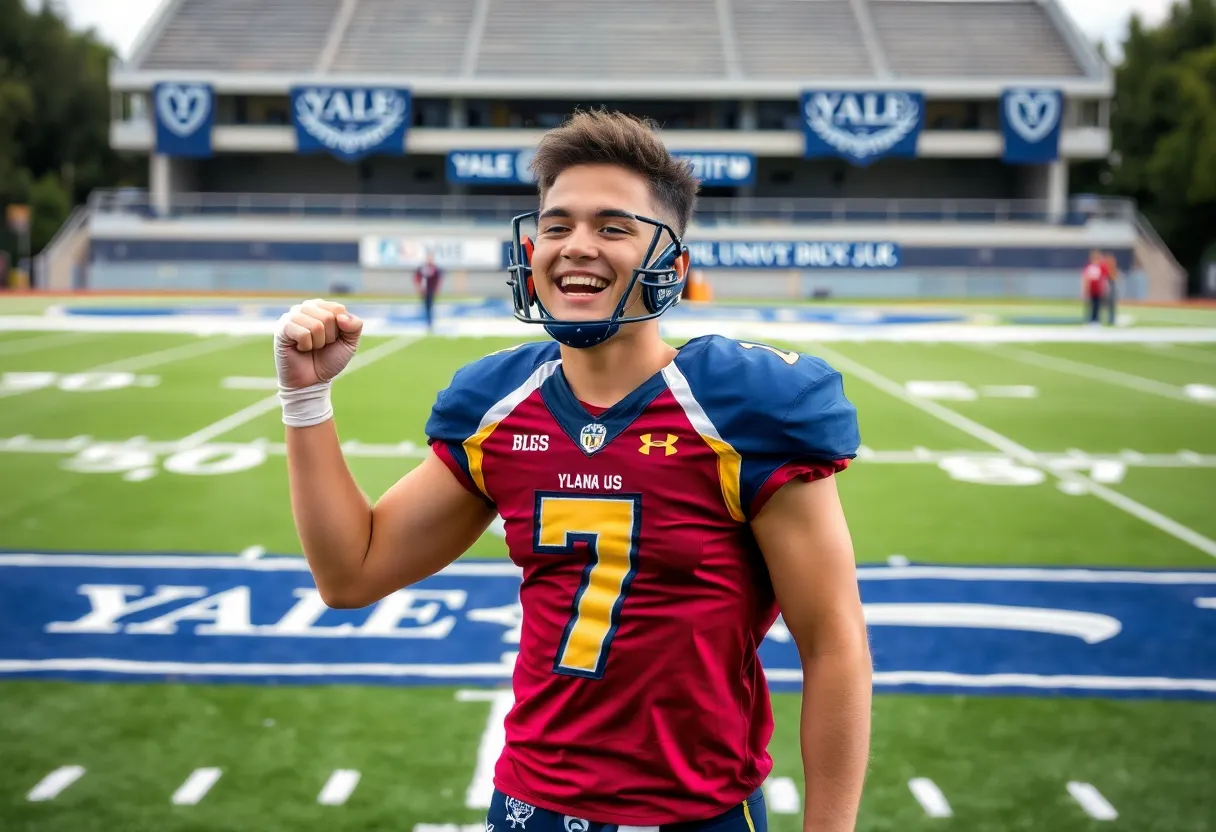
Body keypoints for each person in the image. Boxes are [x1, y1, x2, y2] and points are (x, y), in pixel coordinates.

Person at [273, 110, 871, 831]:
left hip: (694, 813)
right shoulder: (500, 403)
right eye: (556, 226)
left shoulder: (745, 407)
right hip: (529, 807)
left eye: (613, 227)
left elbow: (833, 643)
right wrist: (306, 398)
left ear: (672, 265)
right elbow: (352, 573)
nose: (576, 245)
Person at [414, 250, 443, 331]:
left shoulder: (435, 268)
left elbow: (439, 279)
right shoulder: (422, 268)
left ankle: (430, 322)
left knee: (430, 306)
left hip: (431, 290)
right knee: (426, 306)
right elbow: (417, 277)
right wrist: (419, 287)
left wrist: (436, 289)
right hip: (424, 290)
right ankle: (427, 322)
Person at [1081, 249, 1111, 325]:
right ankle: (1091, 319)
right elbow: (1086, 279)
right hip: (1091, 290)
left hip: (1098, 290)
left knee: (1098, 305)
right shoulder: (1089, 267)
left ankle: (1096, 319)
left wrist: (1105, 288)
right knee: (1090, 305)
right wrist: (1084, 289)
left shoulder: (1101, 267)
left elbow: (1104, 279)